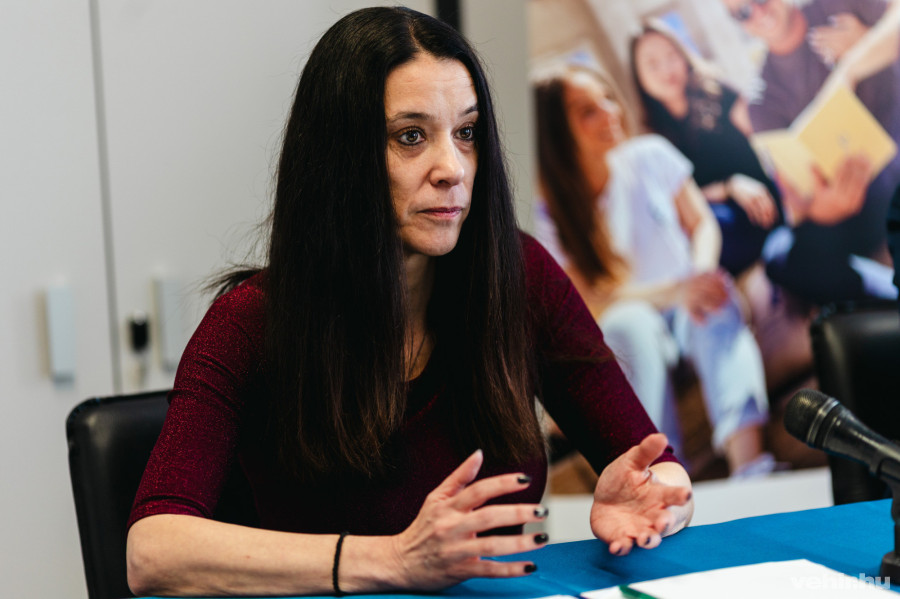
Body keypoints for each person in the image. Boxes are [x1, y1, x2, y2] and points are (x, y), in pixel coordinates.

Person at [125, 7, 693, 597]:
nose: (452, 169)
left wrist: (659, 501)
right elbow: (151, 551)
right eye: (411, 136)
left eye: (466, 132)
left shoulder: (517, 273)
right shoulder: (249, 322)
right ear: (338, 157)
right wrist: (393, 560)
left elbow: (657, 467)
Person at [533, 62, 773, 478]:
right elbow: (590, 299)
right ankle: (664, 478)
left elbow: (702, 223)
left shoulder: (651, 155)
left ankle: (751, 467)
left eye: (608, 99)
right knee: (629, 324)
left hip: (689, 308)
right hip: (633, 324)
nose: (611, 112)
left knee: (716, 301)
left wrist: (700, 276)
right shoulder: (546, 215)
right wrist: (676, 291)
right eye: (588, 111)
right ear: (555, 133)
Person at [722, 0, 900, 303]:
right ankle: (888, 297)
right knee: (781, 255)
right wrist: (824, 209)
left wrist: (855, 62)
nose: (758, 12)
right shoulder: (762, 101)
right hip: (860, 205)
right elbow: (796, 202)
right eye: (743, 13)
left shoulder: (833, 7)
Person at [630, 23, 782, 278]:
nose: (666, 69)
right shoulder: (652, 139)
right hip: (720, 223)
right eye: (652, 64)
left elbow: (767, 140)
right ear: (639, 77)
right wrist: (730, 187)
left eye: (671, 56)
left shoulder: (719, 94)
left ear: (683, 56)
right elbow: (679, 202)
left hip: (764, 202)